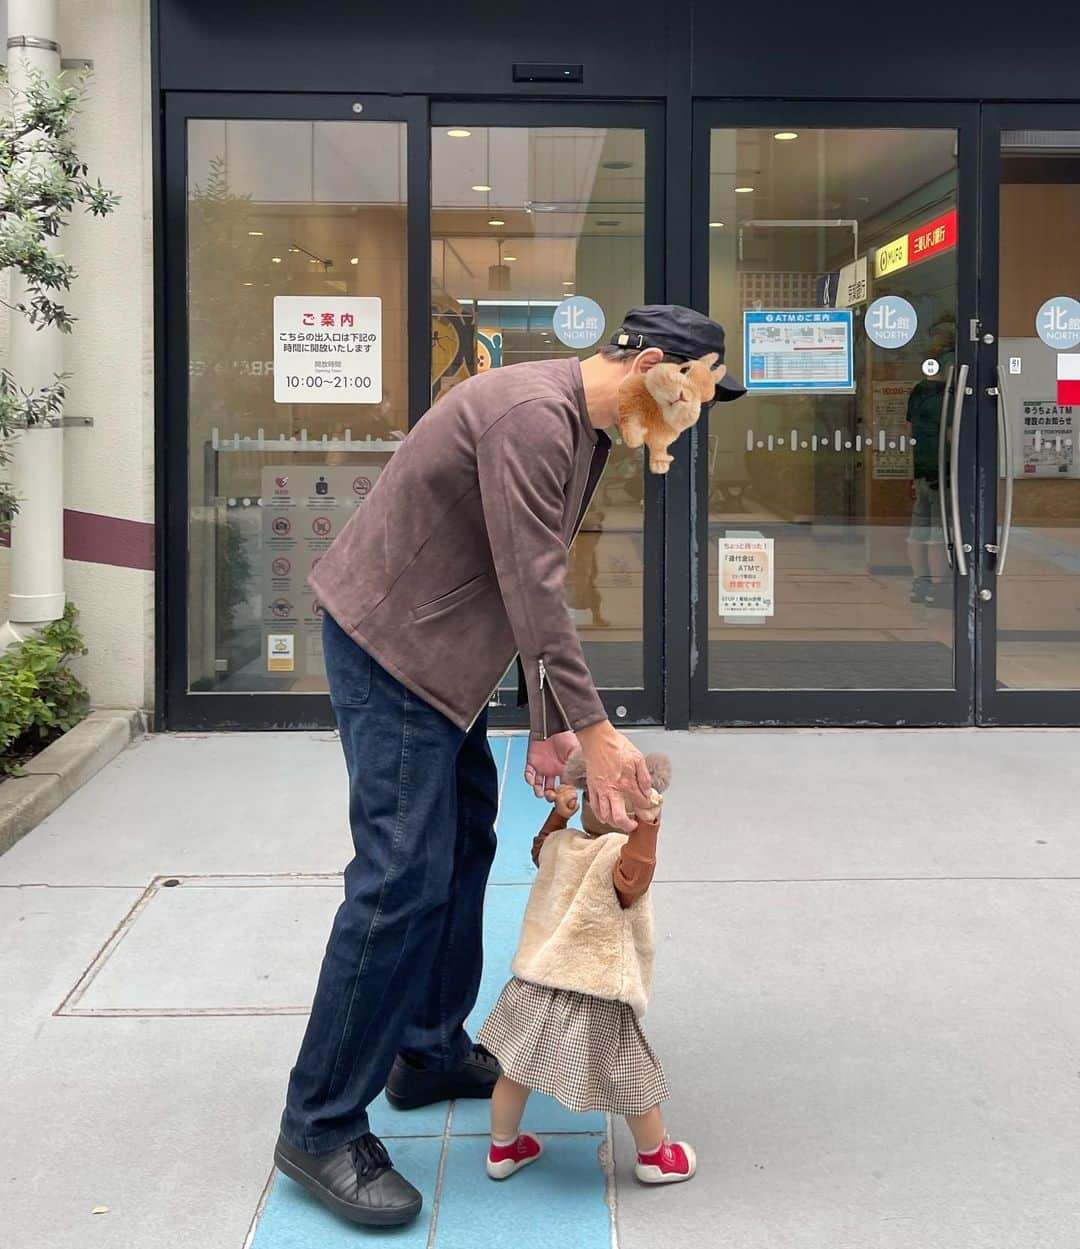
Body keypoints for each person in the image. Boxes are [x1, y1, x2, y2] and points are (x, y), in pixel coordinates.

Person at [273, 305, 745, 1227]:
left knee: (462, 848)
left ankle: (426, 1049)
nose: (692, 414)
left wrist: (543, 720)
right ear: (651, 365)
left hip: (442, 649)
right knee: (398, 876)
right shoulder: (534, 418)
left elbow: (523, 571)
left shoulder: (588, 425)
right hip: (392, 647)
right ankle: (319, 1121)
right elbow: (532, 584)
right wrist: (593, 728)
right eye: (694, 392)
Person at [480, 778, 697, 1187]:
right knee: (632, 1079)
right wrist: (649, 826)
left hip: (536, 982)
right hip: (596, 989)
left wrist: (560, 813)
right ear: (632, 818)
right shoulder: (621, 856)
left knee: (514, 1071)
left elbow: (539, 847)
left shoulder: (561, 845)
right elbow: (636, 877)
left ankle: (503, 1147)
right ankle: (656, 1157)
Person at [906, 317, 955, 608]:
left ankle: (919, 585)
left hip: (921, 471)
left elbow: (910, 431)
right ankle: (939, 588)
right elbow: (951, 436)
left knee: (918, 531)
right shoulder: (948, 396)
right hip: (943, 472)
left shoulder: (918, 391)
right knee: (937, 533)